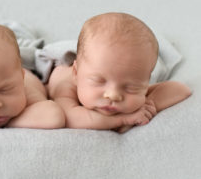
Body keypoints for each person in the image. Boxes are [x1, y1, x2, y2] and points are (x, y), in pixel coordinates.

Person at [47, 12, 191, 132]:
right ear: (76, 74)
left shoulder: (127, 74)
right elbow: (69, 118)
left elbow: (180, 89)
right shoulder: (67, 87)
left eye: (131, 87)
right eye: (98, 81)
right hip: (59, 69)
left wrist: (149, 105)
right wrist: (123, 119)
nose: (113, 95)